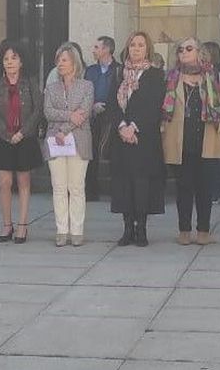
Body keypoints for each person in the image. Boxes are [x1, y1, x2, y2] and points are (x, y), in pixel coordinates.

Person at [162, 37, 220, 246]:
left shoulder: (213, 76)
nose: (184, 52)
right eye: (181, 49)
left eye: (189, 48)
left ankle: (203, 231)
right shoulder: (171, 77)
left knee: (204, 188)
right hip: (179, 139)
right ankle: (184, 230)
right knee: (183, 187)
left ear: (199, 52)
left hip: (208, 138)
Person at [107, 31, 165, 247]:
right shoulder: (119, 74)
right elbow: (112, 103)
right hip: (121, 139)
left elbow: (154, 106)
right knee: (124, 184)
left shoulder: (156, 75)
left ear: (147, 48)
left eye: (140, 45)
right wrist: (122, 126)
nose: (136, 49)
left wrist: (134, 128)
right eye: (132, 45)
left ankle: (141, 229)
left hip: (144, 139)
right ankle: (127, 228)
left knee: (141, 185)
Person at [0, 40, 45, 244]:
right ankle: (6, 224)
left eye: (14, 58)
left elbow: (38, 109)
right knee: (4, 183)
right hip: (2, 138)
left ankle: (22, 225)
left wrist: (23, 132)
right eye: (6, 59)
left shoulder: (30, 81)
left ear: (21, 61)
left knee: (23, 182)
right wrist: (6, 133)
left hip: (25, 138)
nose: (10, 62)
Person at [44, 41, 94, 247]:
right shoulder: (51, 87)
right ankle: (61, 229)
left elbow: (83, 113)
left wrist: (63, 130)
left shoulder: (86, 86)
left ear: (75, 63)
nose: (60, 64)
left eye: (64, 60)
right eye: (58, 60)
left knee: (76, 187)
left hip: (77, 140)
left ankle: (77, 230)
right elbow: (48, 112)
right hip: (55, 142)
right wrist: (69, 116)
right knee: (58, 187)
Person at [83, 36, 120, 202]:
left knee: (114, 154)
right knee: (91, 154)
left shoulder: (119, 70)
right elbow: (84, 92)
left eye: (97, 47)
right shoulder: (91, 70)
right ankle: (91, 191)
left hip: (113, 116)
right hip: (93, 116)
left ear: (107, 49)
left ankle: (116, 191)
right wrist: (92, 106)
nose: (94, 50)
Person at [201, 40, 220, 203]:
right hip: (202, 122)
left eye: (204, 52)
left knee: (215, 160)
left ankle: (215, 192)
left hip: (215, 122)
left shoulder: (216, 74)